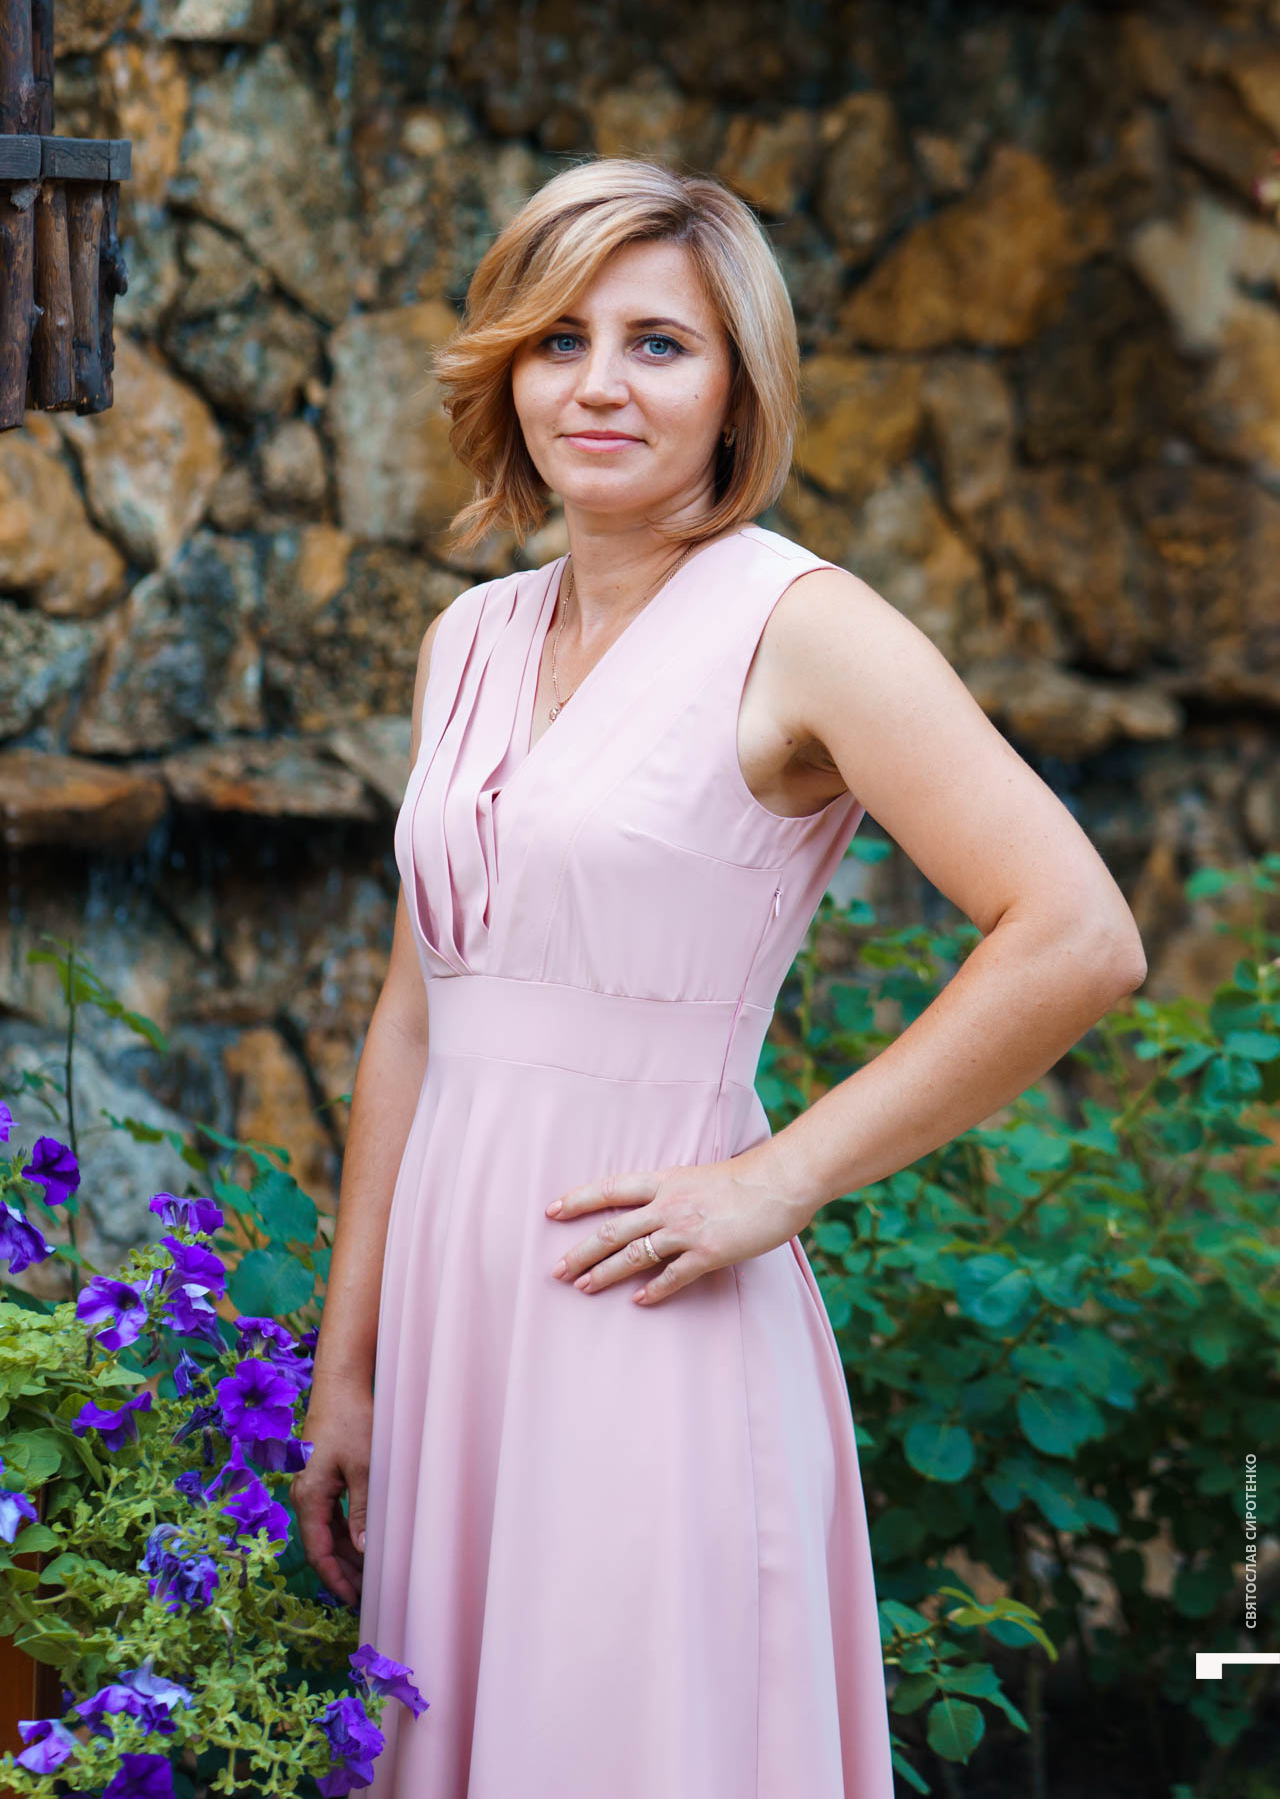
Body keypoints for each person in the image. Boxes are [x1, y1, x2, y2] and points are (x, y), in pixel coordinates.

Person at [292, 156, 1147, 1798]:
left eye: (659, 344)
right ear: (508, 373)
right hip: (460, 1325)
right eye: (560, 341)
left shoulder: (801, 627)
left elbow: (1077, 933)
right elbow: (414, 1018)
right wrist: (352, 1365)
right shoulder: (466, 641)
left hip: (647, 1304)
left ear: (739, 385)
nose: (599, 384)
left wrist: (782, 1178)